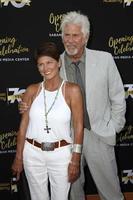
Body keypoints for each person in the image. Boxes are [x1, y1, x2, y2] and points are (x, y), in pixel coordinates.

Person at [19, 11, 126, 200]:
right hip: (67, 140)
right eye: (66, 35)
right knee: (73, 193)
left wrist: (114, 127)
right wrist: (26, 106)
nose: (70, 40)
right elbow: (45, 96)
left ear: (85, 37)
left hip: (99, 135)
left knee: (111, 193)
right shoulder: (54, 62)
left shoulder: (105, 60)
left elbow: (117, 96)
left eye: (75, 35)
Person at [12, 41, 84, 200]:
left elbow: (78, 126)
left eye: (49, 62)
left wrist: (76, 159)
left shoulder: (72, 90)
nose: (45, 68)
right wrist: (18, 157)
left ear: (59, 63)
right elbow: (23, 127)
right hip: (32, 154)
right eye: (40, 65)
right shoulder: (31, 90)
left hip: (61, 156)